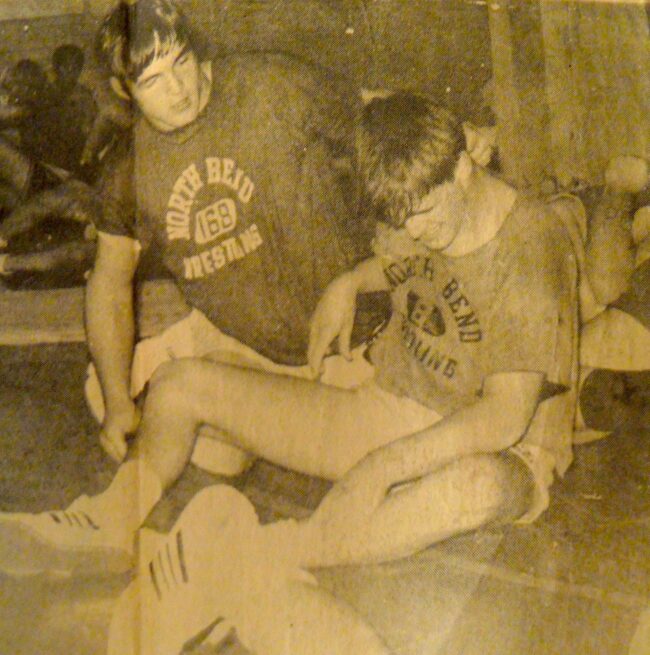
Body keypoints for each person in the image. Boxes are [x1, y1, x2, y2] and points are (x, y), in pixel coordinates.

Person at [0, 92, 578, 650]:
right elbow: (405, 257)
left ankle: (255, 555)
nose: (418, 232)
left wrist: (381, 467)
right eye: (405, 221)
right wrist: (348, 283)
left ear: (465, 165)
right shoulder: (421, 200)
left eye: (425, 215)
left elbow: (504, 417)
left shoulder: (531, 242)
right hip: (385, 409)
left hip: (497, 448)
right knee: (179, 385)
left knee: (475, 488)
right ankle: (108, 522)